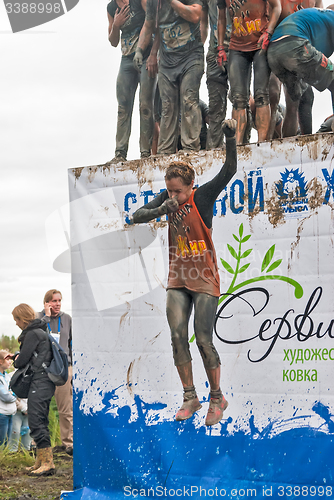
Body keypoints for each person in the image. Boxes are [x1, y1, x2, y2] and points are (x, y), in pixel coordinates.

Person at [131, 119, 237, 426]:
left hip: (204, 280)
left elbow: (228, 171)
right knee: (178, 337)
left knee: (202, 338)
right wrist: (161, 208)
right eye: (169, 191)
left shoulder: (201, 197)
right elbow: (137, 215)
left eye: (177, 191)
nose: (173, 196)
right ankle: (190, 396)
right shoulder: (167, 200)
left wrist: (230, 137)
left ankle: (217, 398)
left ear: (190, 186)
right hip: (177, 278)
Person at [134, 0, 204, 155]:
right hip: (167, 61)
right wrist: (140, 49)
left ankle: (190, 148)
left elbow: (195, 15)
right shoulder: (153, 3)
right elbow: (148, 25)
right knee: (167, 106)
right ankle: (165, 151)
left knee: (189, 100)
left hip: (191, 57)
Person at [217, 0, 281, 144]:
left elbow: (277, 6)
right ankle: (237, 145)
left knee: (261, 95)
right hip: (237, 46)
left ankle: (261, 143)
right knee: (238, 98)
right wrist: (220, 47)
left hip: (260, 42)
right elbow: (221, 17)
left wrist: (269, 32)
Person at [107, 0, 157, 162]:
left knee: (145, 105)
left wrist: (147, 52)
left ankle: (145, 153)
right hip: (126, 58)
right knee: (123, 107)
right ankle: (120, 153)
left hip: (146, 55)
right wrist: (116, 25)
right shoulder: (111, 7)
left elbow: (152, 22)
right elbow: (113, 41)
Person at [267, 0, 323, 139]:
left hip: (300, 48)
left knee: (294, 101)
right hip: (277, 44)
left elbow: (320, 20)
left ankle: (292, 147)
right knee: (272, 96)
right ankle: (266, 143)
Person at [11, 304, 55, 476]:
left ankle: (48, 463)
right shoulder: (40, 331)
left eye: (16, 319)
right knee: (40, 419)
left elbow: (22, 362)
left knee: (36, 420)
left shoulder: (32, 333)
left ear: (23, 318)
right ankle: (41, 461)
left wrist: (15, 359)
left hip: (40, 381)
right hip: (45, 381)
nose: (15, 323)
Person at [267, 6, 334, 117]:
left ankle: (303, 134)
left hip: (273, 53)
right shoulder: (331, 17)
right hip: (294, 44)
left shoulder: (317, 16)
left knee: (302, 98)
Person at [37, 289, 73, 456]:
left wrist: (72, 365)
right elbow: (36, 335)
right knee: (41, 406)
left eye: (59, 300)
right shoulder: (39, 318)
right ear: (46, 303)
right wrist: (46, 316)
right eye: (53, 301)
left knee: (65, 408)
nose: (57, 304)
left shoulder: (67, 319)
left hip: (63, 369)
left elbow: (73, 343)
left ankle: (68, 443)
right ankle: (39, 444)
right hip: (44, 368)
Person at [201, 0, 231, 149]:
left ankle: (239, 146)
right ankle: (214, 148)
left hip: (239, 47)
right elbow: (203, 23)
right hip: (214, 50)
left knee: (240, 100)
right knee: (215, 105)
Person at [0, 350, 17, 446]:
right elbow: (6, 396)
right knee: (1, 442)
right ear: (0, 361)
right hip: (1, 413)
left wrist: (12, 393)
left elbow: (15, 390)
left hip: (10, 412)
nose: (10, 361)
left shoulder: (7, 376)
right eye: (7, 359)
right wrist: (14, 395)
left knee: (7, 442)